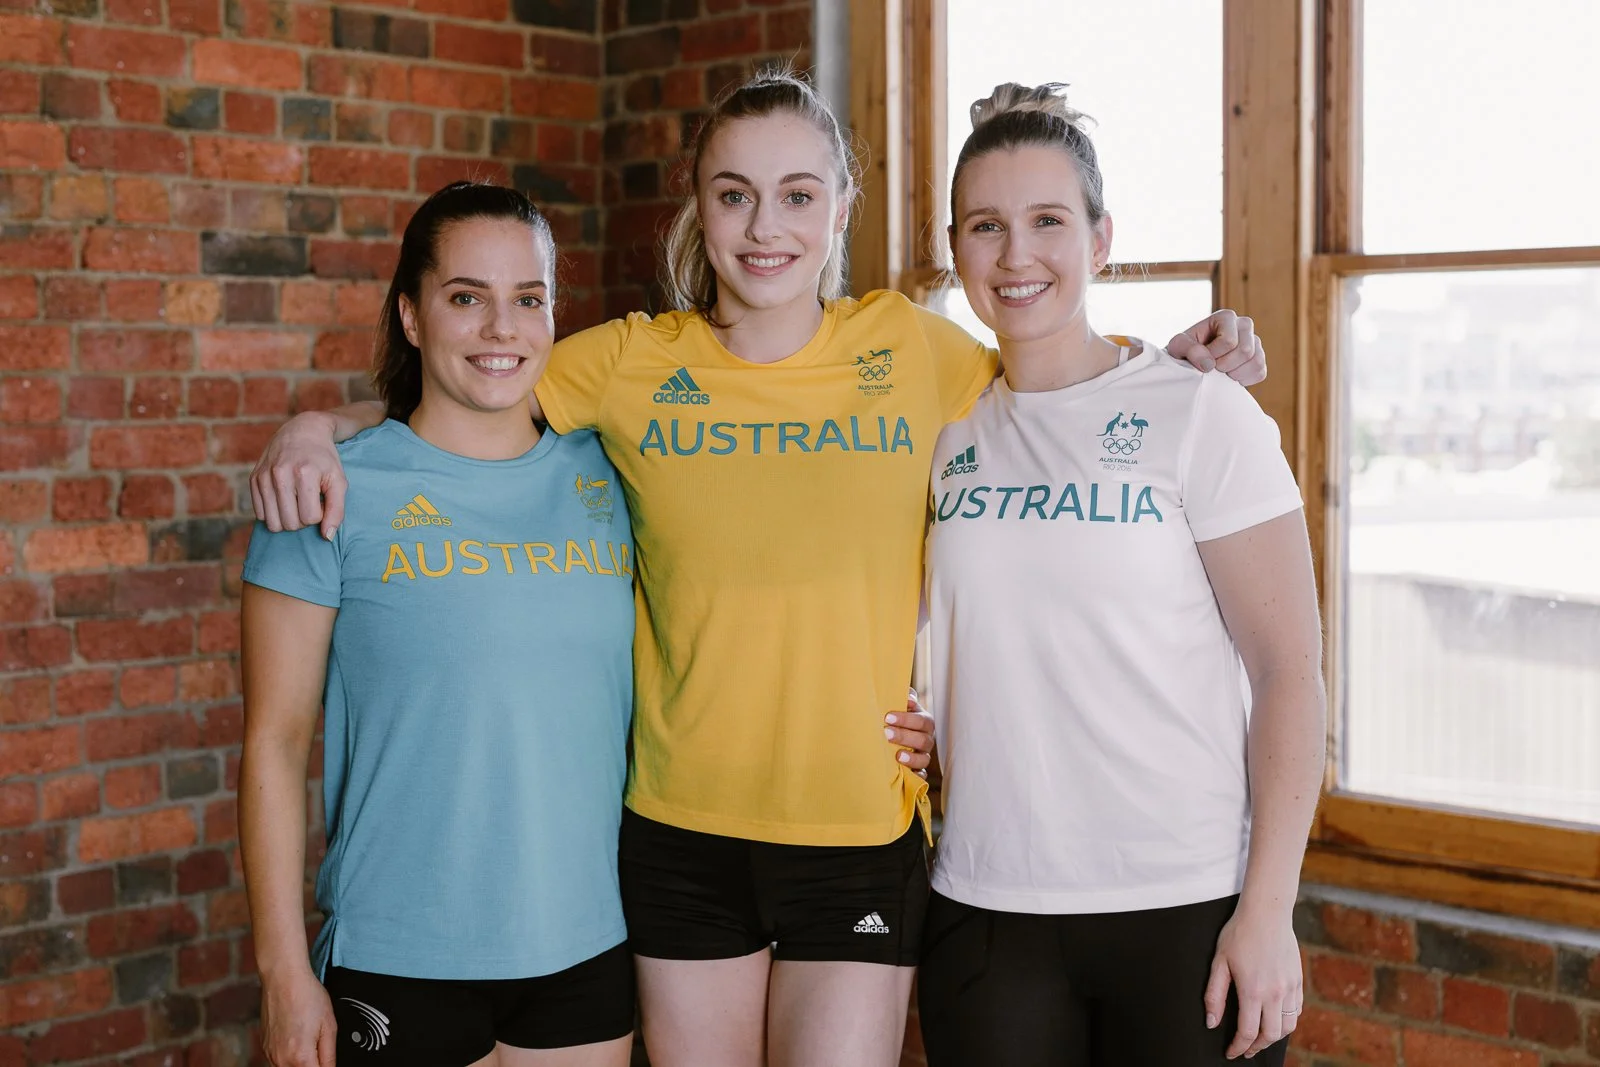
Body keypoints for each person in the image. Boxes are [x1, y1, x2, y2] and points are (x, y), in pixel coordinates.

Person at [247, 69, 1269, 1067]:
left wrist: (1175, 360)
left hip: (857, 827)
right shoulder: (630, 363)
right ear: (699, 208)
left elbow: (1062, 373)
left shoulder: (916, 352)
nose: (763, 227)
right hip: (679, 831)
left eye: (797, 195)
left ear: (840, 210)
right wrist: (313, 427)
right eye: (733, 195)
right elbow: (467, 385)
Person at [916, 83, 1326, 1067]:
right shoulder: (937, 426)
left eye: (1047, 221)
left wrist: (1266, 908)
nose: (1016, 255)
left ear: (1101, 239)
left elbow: (1288, 671)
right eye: (986, 226)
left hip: (1184, 905)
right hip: (986, 904)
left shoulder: (1201, 411)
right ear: (955, 248)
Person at [239, 183, 640, 1067]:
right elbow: (274, 742)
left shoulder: (614, 471)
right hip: (397, 949)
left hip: (583, 942)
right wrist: (281, 972)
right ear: (413, 316)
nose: (503, 328)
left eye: (527, 299)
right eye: (467, 297)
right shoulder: (327, 492)